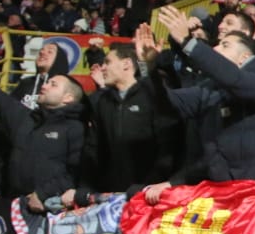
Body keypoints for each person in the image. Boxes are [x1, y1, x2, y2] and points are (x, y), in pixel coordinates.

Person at [137, 7, 255, 198]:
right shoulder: (209, 90)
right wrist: (149, 68)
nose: (215, 48)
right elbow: (167, 104)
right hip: (218, 196)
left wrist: (188, 42)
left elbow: (233, 78)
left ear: (244, 58)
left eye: (225, 45)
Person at [0, 49, 85, 212]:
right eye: (47, 82)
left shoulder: (76, 128)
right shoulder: (25, 119)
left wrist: (42, 194)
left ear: (68, 98)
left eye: (53, 84)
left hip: (51, 209)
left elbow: (77, 173)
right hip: (13, 205)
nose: (45, 86)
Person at [76, 43, 180, 203]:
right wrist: (85, 186)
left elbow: (168, 144)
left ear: (126, 64)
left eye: (108, 62)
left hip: (151, 194)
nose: (103, 68)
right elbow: (93, 149)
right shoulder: (102, 102)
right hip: (111, 194)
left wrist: (150, 184)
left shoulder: (151, 96)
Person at [11, 41, 70, 110]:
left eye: (50, 52)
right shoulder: (26, 83)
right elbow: (10, 108)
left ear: (59, 59)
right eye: (41, 51)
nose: (42, 53)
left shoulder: (65, 87)